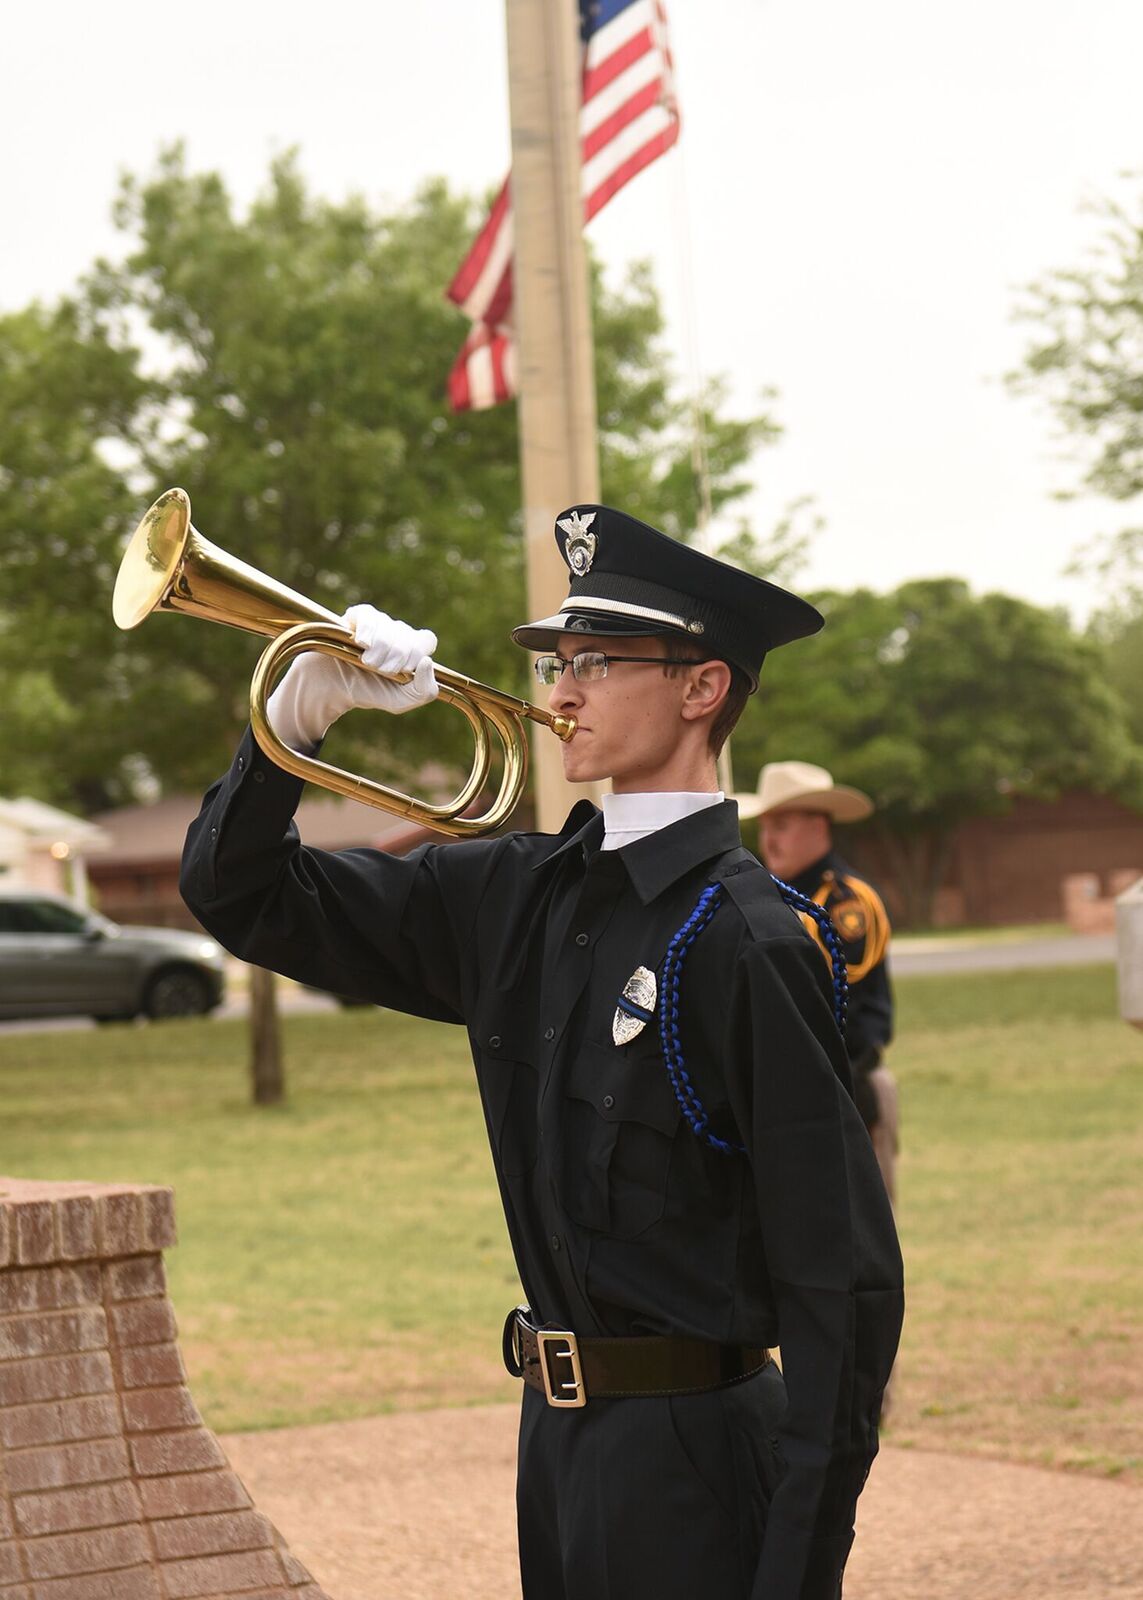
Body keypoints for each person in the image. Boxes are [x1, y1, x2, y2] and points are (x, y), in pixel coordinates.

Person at [180, 504, 903, 1600]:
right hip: (555, 1444)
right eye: (561, 661)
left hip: (695, 1454)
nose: (561, 691)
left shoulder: (751, 939)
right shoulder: (515, 892)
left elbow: (843, 1290)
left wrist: (799, 1574)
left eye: (599, 661)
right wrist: (294, 725)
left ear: (703, 688)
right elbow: (243, 896)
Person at [737, 762, 898, 1204]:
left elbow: (850, 1014)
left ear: (818, 825)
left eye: (782, 826)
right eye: (765, 826)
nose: (768, 840)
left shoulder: (846, 903)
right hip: (787, 1099)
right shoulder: (769, 897)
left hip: (847, 1087)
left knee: (860, 1239)